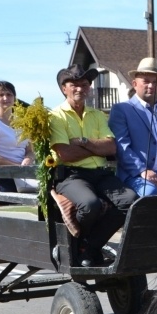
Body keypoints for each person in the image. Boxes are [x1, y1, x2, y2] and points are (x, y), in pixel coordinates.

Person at [49, 64, 138, 267]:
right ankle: (81, 246)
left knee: (131, 201)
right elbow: (66, 154)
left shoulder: (97, 115)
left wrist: (82, 141)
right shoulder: (55, 116)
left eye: (85, 84)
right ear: (64, 88)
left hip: (100, 173)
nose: (80, 88)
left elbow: (111, 147)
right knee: (90, 205)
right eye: (74, 84)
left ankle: (89, 246)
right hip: (71, 176)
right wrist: (95, 147)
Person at [109, 57, 157, 197]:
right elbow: (122, 147)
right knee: (150, 193)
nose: (151, 86)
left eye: (155, 82)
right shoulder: (122, 110)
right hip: (138, 175)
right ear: (135, 84)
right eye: (146, 81)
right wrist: (142, 170)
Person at [0, 81, 38, 193]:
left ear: (14, 98)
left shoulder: (22, 122)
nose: (5, 98)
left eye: (9, 94)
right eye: (1, 95)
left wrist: (28, 158)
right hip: (5, 175)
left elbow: (30, 150)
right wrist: (17, 168)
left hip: (26, 174)